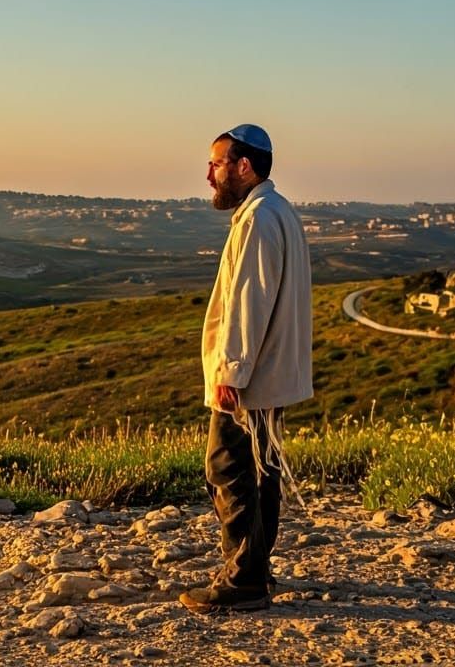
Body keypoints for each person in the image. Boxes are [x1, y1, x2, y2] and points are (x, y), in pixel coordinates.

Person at [178, 123, 313, 615]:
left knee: (229, 469)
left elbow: (249, 303)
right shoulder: (276, 212)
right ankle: (253, 569)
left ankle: (245, 581)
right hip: (269, 373)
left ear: (243, 166)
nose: (208, 174)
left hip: (250, 378)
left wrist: (231, 372)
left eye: (216, 164)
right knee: (259, 472)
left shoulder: (259, 219)